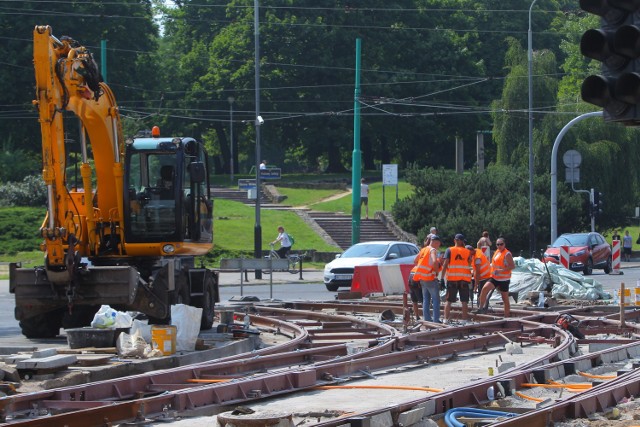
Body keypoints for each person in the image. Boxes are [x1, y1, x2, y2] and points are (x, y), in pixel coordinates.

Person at [476, 237, 516, 317]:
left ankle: (507, 316)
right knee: (484, 289)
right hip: (494, 277)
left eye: (501, 244)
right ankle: (481, 308)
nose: (499, 246)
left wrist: (500, 271)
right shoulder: (497, 252)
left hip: (504, 279)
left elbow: (512, 266)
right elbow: (494, 264)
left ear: (504, 244)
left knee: (505, 298)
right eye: (497, 244)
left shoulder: (507, 254)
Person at [439, 234, 473, 322]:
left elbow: (445, 264)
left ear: (455, 240)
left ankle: (446, 319)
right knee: (464, 301)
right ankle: (464, 320)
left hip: (452, 279)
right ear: (462, 241)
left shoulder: (449, 250)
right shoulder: (467, 251)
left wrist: (442, 279)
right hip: (464, 280)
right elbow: (469, 263)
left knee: (449, 301)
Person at [413, 235, 443, 323]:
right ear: (436, 242)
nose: (438, 246)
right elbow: (434, 261)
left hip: (422, 278)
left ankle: (427, 318)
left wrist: (422, 269)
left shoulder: (423, 249)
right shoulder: (432, 250)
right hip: (430, 278)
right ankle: (436, 319)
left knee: (426, 299)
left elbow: (415, 261)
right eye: (439, 244)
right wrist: (436, 271)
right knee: (436, 300)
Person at [408, 236, 431, 320]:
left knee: (414, 299)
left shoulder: (421, 252)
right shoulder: (430, 252)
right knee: (423, 299)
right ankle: (426, 317)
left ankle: (417, 316)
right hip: (417, 277)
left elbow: (415, 261)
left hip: (411, 275)